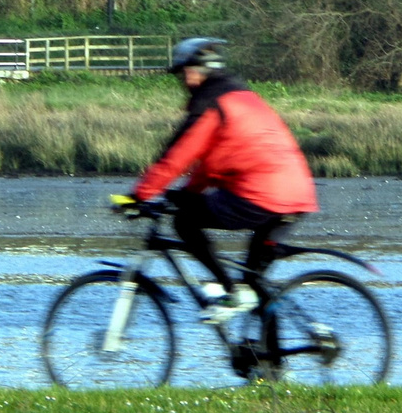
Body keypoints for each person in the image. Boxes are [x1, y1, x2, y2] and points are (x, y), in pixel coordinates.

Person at [126, 37, 318, 324]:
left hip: (262, 194)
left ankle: (229, 291)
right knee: (254, 286)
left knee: (184, 221)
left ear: (192, 72)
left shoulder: (210, 104)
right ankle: (270, 366)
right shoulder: (242, 96)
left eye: (182, 73)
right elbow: (209, 162)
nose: (182, 81)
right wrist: (186, 193)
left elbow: (177, 156)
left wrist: (139, 196)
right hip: (297, 194)